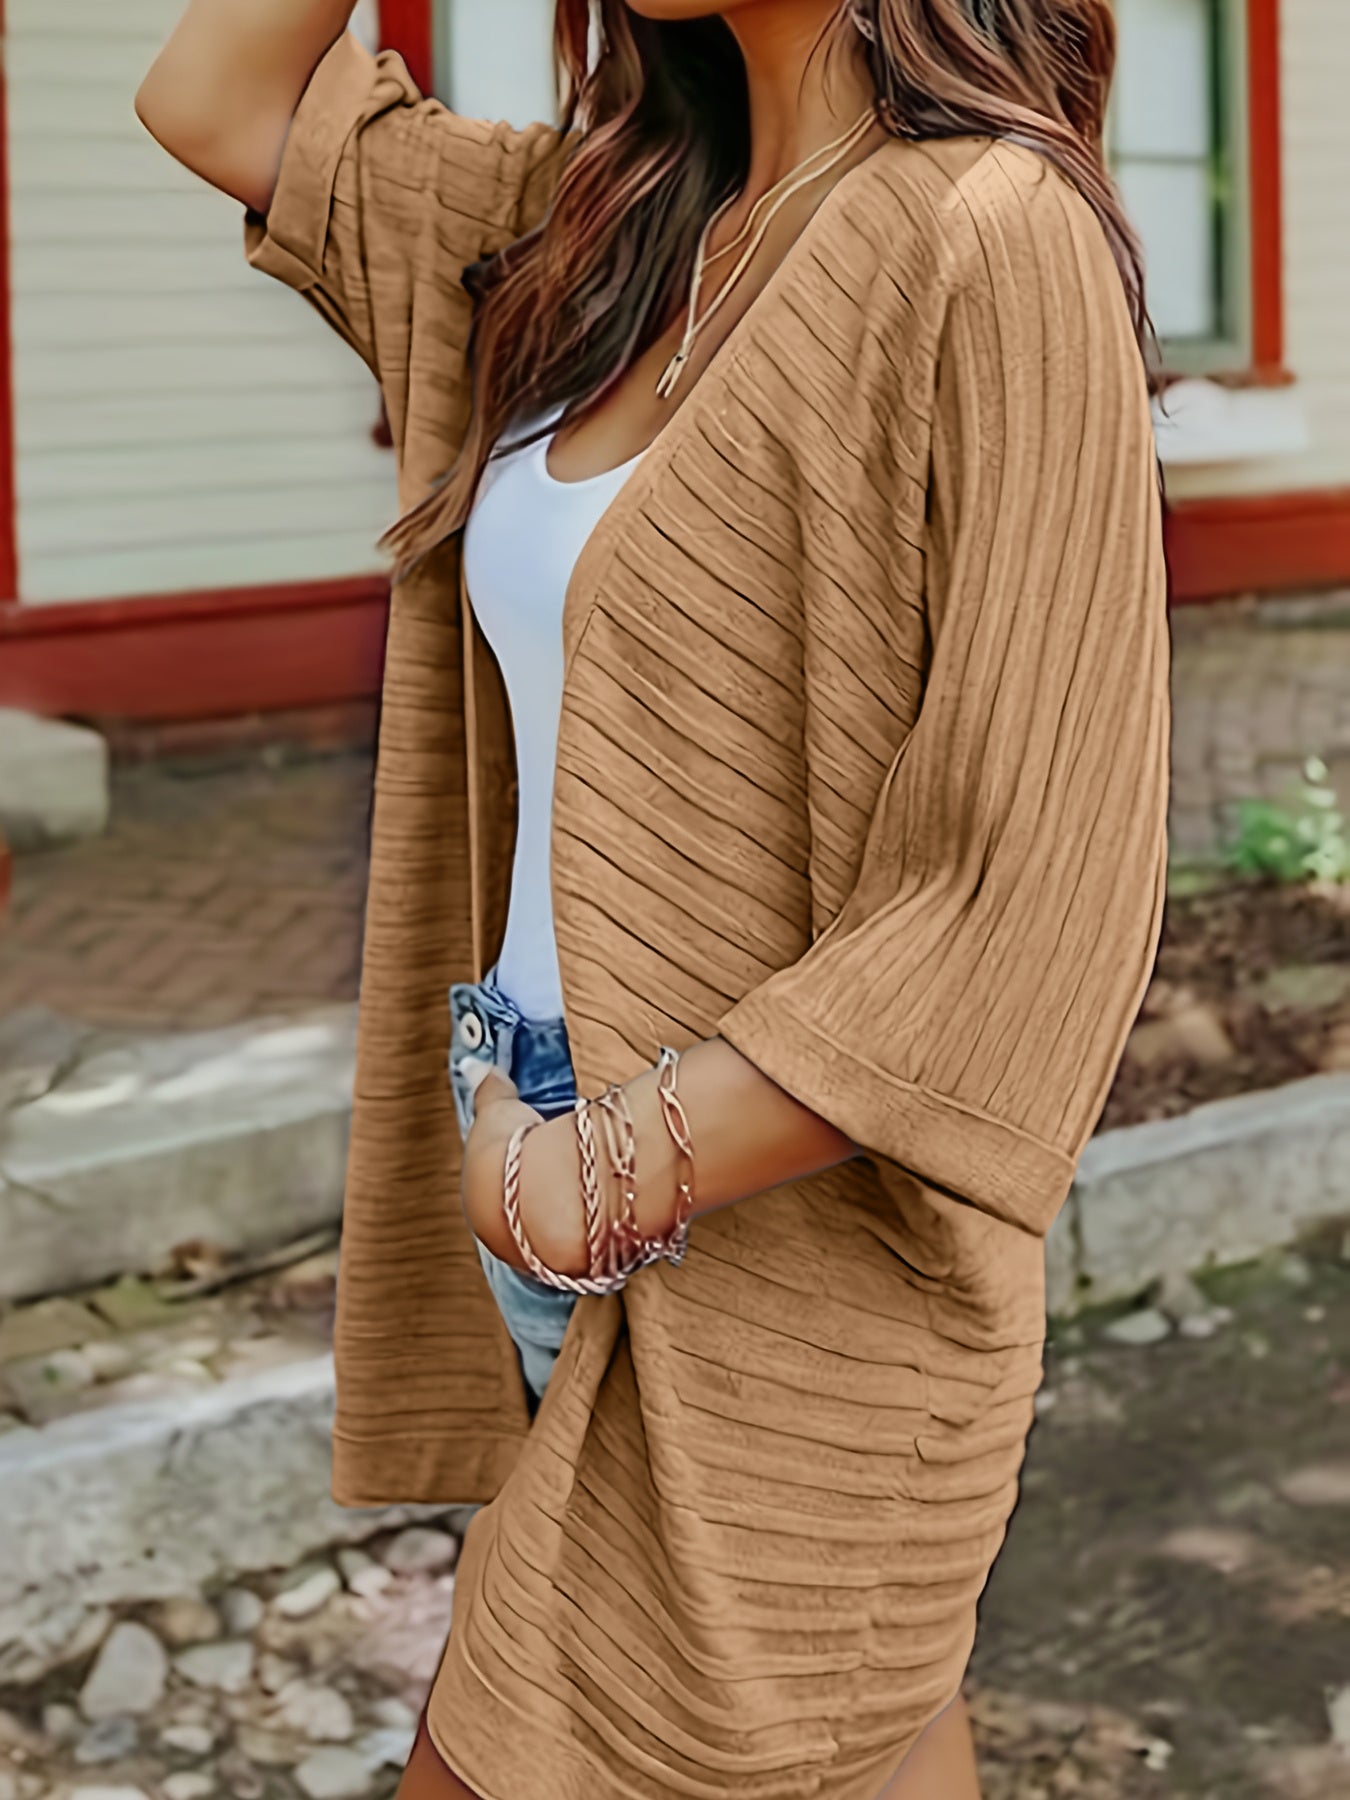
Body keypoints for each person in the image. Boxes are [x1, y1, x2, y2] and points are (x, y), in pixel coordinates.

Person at [135, 2, 1171, 1796]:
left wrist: (584, 1181)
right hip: (556, 1155)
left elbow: (1031, 876)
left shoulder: (986, 232)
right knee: (854, 1736)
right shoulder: (597, 223)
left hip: (782, 1242)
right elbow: (211, 96)